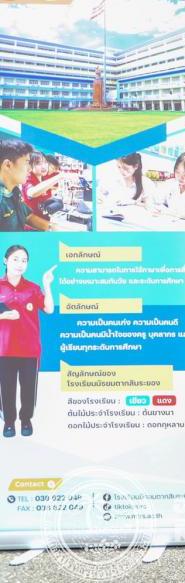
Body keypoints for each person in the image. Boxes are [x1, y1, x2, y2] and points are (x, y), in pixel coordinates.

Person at [0, 245, 54, 438]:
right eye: (15, 259)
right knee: (6, 388)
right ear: (5, 261)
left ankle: (26, 420)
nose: (20, 264)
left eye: (24, 260)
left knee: (29, 388)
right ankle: (8, 422)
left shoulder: (33, 288)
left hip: (29, 349)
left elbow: (49, 309)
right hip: (4, 349)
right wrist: (4, 316)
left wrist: (47, 285)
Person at [0, 141, 48, 232]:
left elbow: (28, 216)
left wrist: (52, 227)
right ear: (8, 165)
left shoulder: (14, 192)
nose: (30, 169)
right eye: (26, 162)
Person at [151, 152, 185, 221]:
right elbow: (156, 200)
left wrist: (170, 212)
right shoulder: (171, 183)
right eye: (177, 172)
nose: (180, 177)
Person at [22, 153, 63, 217]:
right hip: (31, 221)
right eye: (38, 163)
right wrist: (60, 176)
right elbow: (31, 193)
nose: (43, 166)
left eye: (45, 162)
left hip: (44, 218)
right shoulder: (28, 178)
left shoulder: (43, 178)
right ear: (30, 166)